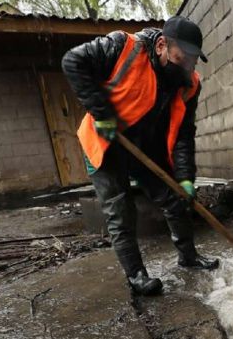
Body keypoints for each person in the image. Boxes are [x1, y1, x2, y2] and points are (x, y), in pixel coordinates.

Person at [62, 16, 219, 296]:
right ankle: (137, 276)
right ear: (161, 45)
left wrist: (185, 179)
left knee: (175, 199)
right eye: (182, 58)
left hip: (144, 147)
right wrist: (102, 114)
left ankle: (189, 257)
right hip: (106, 142)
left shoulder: (188, 84)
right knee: (120, 210)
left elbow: (184, 134)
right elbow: (73, 61)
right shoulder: (122, 46)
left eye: (192, 61)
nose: (187, 67)